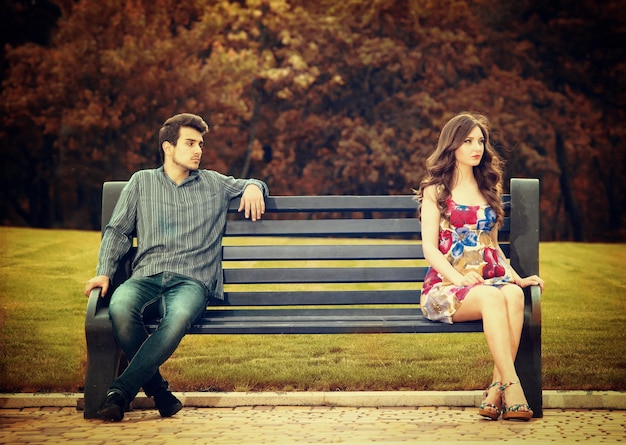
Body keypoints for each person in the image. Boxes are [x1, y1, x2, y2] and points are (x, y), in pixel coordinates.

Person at [84, 113, 268, 421]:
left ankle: (120, 392)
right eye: (190, 143)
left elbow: (252, 182)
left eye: (201, 144)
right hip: (145, 277)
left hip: (192, 282)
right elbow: (117, 231)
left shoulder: (213, 183)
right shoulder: (142, 182)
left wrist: (253, 186)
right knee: (119, 307)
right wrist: (104, 271)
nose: (199, 150)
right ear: (168, 147)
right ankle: (160, 393)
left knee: (177, 317)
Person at [415, 112, 544, 421]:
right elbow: (429, 249)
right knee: (492, 297)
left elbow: (492, 245)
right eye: (468, 141)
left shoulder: (490, 187)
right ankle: (512, 387)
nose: (477, 147)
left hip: (487, 284)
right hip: (446, 288)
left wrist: (516, 277)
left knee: (513, 295)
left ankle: (495, 390)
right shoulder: (437, 190)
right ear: (452, 145)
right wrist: (461, 279)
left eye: (481, 141)